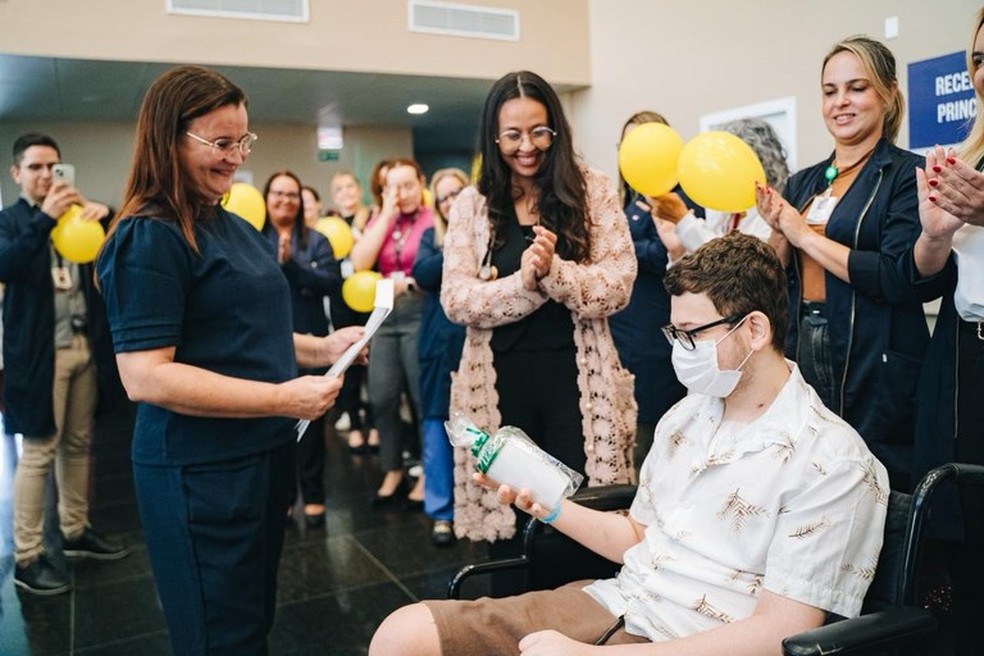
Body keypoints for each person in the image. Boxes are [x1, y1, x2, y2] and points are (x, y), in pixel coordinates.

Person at [370, 232, 890, 656]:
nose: (679, 351)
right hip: (622, 600)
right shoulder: (688, 415)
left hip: (699, 637)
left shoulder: (831, 459)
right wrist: (548, 506)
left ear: (754, 329)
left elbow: (781, 632)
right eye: (673, 333)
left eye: (690, 334)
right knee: (403, 634)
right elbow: (638, 537)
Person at [94, 65, 364, 654]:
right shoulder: (150, 235)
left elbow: (242, 331)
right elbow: (145, 376)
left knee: (250, 621)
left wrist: (321, 349)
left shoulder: (227, 222)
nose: (236, 157)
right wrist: (282, 398)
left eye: (243, 141)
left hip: (257, 458)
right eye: (220, 143)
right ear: (169, 139)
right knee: (220, 635)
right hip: (200, 471)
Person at [439, 71, 637, 568]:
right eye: (512, 135)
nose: (527, 146)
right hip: (501, 384)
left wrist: (555, 274)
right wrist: (524, 285)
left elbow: (619, 282)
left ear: (557, 130)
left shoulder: (591, 190)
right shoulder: (473, 204)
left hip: (577, 381)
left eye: (539, 132)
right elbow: (456, 298)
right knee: (509, 521)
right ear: (493, 136)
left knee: (579, 515)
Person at [755, 35, 926, 490]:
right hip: (805, 336)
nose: (841, 102)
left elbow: (894, 275)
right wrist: (777, 228)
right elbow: (772, 278)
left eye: (856, 88)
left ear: (888, 93)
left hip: (875, 345)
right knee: (810, 474)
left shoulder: (907, 176)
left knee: (871, 476)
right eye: (830, 91)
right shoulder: (805, 182)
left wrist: (800, 233)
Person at [0, 132, 129, 596]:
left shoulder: (77, 216)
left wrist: (107, 218)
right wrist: (43, 220)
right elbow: (6, 265)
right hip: (38, 357)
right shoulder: (10, 221)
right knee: (38, 451)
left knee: (78, 444)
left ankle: (75, 531)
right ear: (16, 173)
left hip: (82, 347)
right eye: (34, 167)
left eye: (52, 166)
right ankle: (28, 556)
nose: (45, 175)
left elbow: (111, 263)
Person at [907, 9, 984, 653]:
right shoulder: (970, 152)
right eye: (979, 61)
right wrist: (934, 235)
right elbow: (929, 272)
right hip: (962, 354)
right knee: (961, 521)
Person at [608, 111, 688, 470]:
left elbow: (666, 257)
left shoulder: (680, 198)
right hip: (623, 331)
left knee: (656, 439)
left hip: (658, 332)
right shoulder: (629, 199)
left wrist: (621, 245)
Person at [350, 158, 432, 507]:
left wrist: (410, 281)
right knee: (382, 396)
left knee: (420, 397)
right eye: (393, 187)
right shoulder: (378, 219)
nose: (402, 193)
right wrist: (385, 213)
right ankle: (392, 467)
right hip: (383, 315)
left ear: (421, 183)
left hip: (419, 310)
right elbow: (359, 263)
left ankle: (429, 472)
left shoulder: (432, 219)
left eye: (408, 185)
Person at [262, 170, 342, 527]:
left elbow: (329, 282)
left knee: (310, 427)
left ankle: (314, 495)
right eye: (278, 193)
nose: (285, 200)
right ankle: (281, 496)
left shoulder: (317, 241)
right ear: (266, 198)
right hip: (267, 344)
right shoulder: (251, 238)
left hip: (311, 341)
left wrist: (291, 265)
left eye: (292, 194)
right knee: (273, 425)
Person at [412, 167, 468, 546]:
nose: (450, 202)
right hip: (437, 343)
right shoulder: (433, 238)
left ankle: (477, 505)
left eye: (456, 194)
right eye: (443, 197)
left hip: (475, 343)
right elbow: (423, 272)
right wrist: (460, 246)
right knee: (436, 428)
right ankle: (442, 512)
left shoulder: (490, 232)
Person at [661, 117, 791, 256]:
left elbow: (738, 266)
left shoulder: (773, 213)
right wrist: (676, 253)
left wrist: (685, 221)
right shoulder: (724, 211)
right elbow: (700, 270)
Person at [328, 170, 377, 454]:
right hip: (341, 298)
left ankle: (376, 426)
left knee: (374, 363)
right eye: (339, 188)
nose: (346, 192)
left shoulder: (372, 218)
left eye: (350, 186)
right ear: (334, 195)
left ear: (359, 190)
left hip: (369, 296)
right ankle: (356, 426)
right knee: (348, 361)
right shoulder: (330, 225)